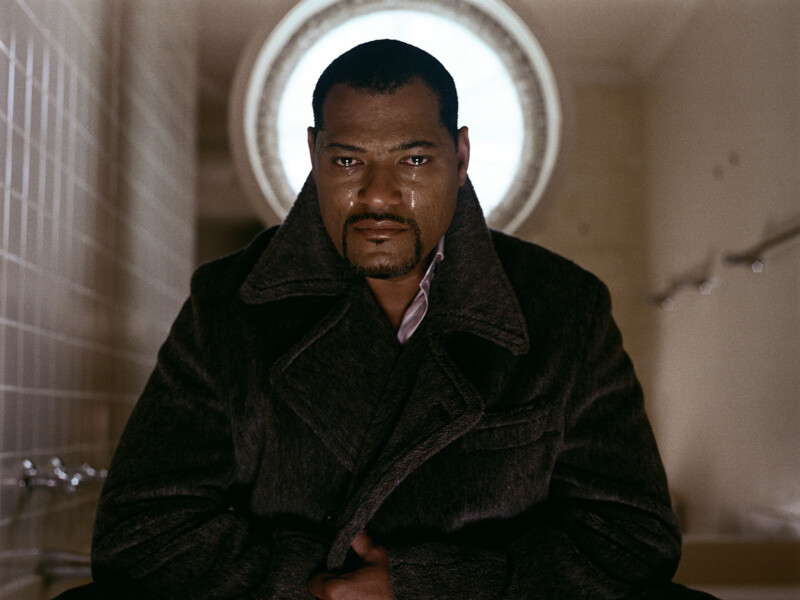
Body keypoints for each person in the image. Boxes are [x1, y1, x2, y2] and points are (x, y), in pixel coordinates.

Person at [86, 39, 706, 600]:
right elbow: (140, 534)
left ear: (459, 157)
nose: (378, 195)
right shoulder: (229, 304)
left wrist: (425, 585)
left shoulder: (562, 307)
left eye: (412, 161)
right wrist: (320, 587)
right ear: (313, 155)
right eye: (349, 162)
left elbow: (633, 540)